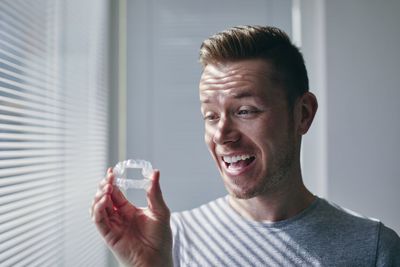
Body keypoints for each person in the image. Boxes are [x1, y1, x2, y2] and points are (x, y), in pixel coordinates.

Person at [91, 25, 400, 266]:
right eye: (211, 115)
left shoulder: (373, 249)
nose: (222, 134)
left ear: (302, 114)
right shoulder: (172, 240)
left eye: (245, 111)